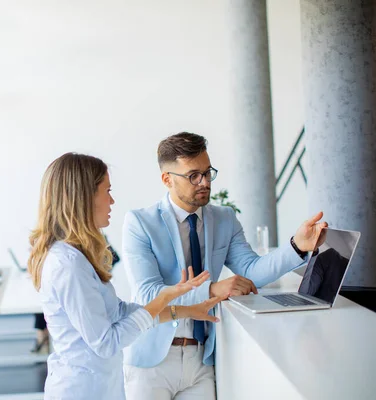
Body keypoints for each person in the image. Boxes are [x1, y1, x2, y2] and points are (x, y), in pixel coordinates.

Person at [122, 132, 327, 400]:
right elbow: (148, 295)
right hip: (151, 362)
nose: (205, 182)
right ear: (167, 179)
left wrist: (297, 246)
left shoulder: (224, 219)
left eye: (208, 173)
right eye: (193, 175)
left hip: (201, 361)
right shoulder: (139, 223)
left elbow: (252, 271)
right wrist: (212, 290)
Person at [27, 152, 225, 400]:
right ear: (84, 197)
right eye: (107, 191)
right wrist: (163, 298)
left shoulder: (77, 256)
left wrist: (185, 309)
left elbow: (119, 313)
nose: (112, 201)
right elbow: (107, 341)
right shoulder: (67, 265)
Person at [31, 235, 120, 354]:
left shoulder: (67, 257)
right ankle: (42, 335)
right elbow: (104, 343)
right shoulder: (68, 262)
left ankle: (42, 335)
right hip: (84, 356)